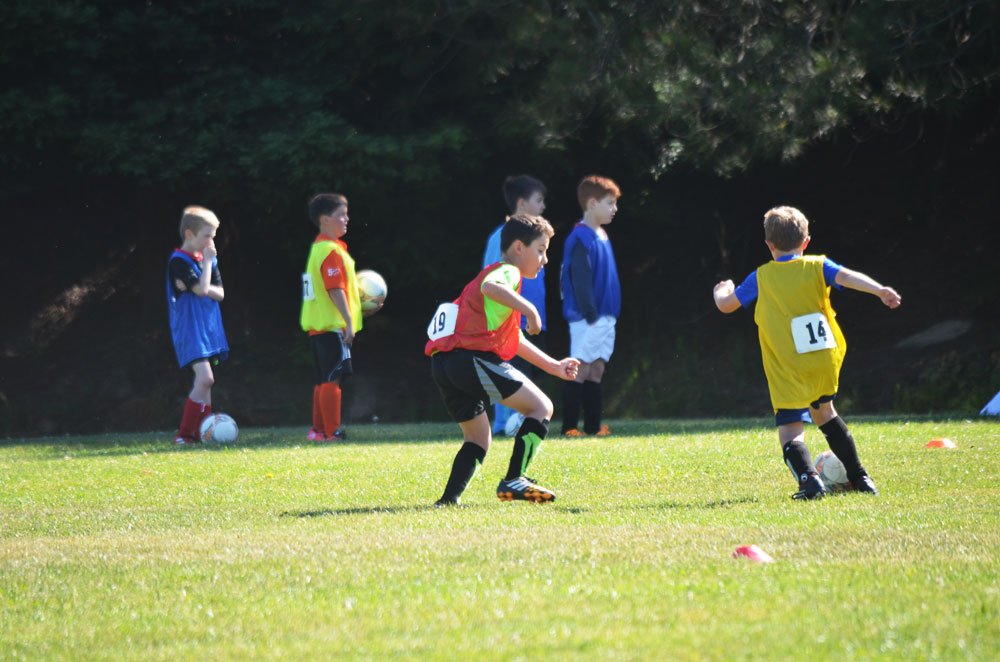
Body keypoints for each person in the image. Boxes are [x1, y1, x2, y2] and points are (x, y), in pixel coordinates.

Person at [712, 206, 902, 499]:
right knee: (825, 412)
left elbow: (727, 306)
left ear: (769, 245)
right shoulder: (817, 265)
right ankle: (860, 477)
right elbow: (848, 277)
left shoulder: (762, 276)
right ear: (806, 242)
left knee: (790, 426)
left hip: (787, 363)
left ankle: (809, 480)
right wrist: (880, 290)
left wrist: (722, 291)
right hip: (823, 359)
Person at [426, 214, 580, 506]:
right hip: (469, 358)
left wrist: (554, 366)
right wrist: (531, 310)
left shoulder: (494, 282)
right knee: (541, 407)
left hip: (444, 364)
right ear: (519, 247)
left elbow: (514, 339)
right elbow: (491, 287)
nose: (545, 259)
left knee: (478, 438)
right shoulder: (507, 272)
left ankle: (448, 501)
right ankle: (514, 479)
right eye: (541, 250)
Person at [300, 193, 378, 441]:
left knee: (323, 379)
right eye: (341, 215)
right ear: (324, 219)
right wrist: (349, 322)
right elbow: (335, 289)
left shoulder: (318, 248)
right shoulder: (331, 251)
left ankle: (317, 431)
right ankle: (331, 431)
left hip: (318, 326)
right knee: (334, 377)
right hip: (332, 326)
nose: (347, 219)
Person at [483, 175, 548, 436]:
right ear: (521, 203)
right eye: (538, 200)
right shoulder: (501, 238)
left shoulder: (535, 241)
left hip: (526, 322)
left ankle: (516, 421)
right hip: (507, 322)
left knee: (523, 374)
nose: (543, 206)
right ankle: (505, 424)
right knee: (507, 373)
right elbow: (490, 281)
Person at [559, 175, 622, 436]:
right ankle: (569, 427)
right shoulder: (580, 238)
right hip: (587, 318)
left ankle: (594, 427)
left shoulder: (602, 235)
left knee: (597, 368)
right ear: (592, 203)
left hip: (606, 316)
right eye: (610, 203)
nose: (614, 209)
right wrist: (591, 314)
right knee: (580, 369)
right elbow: (580, 280)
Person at [167, 206, 229, 444]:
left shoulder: (207, 260)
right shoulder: (178, 261)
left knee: (207, 383)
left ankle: (204, 433)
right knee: (205, 379)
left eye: (213, 236)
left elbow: (220, 294)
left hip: (208, 329)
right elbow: (202, 290)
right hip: (190, 329)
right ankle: (184, 435)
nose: (211, 242)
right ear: (189, 234)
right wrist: (207, 267)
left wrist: (204, 280)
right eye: (207, 236)